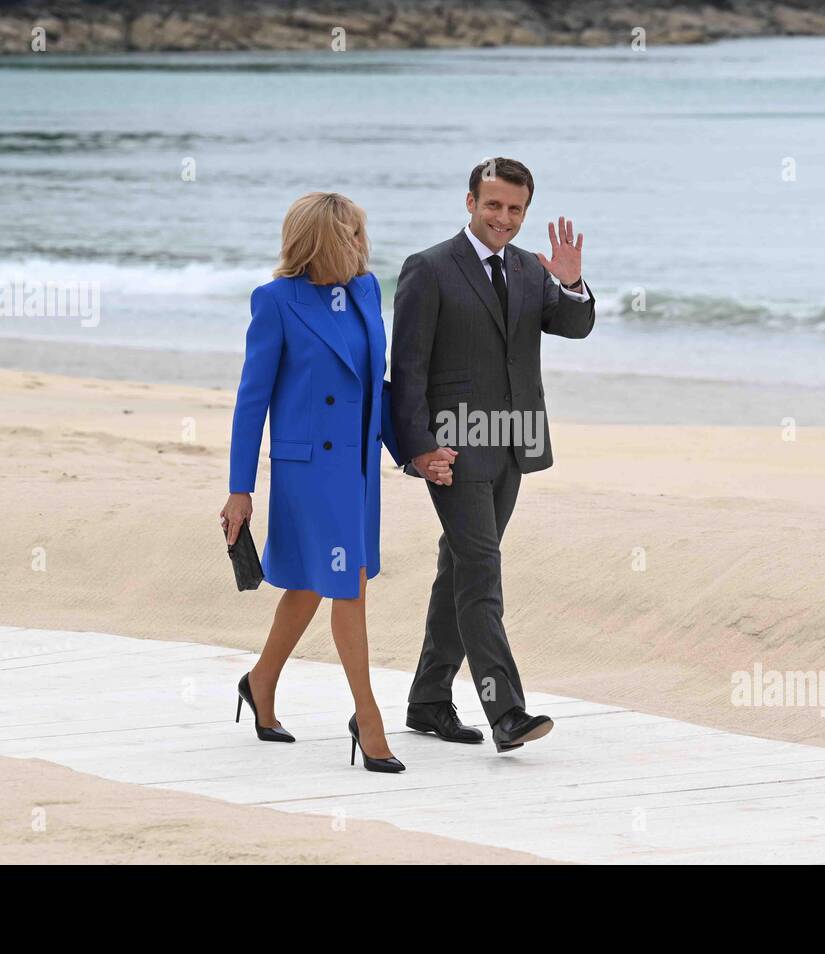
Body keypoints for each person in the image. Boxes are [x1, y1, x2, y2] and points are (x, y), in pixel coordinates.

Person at [389, 158, 596, 753]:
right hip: (453, 447)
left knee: (460, 568)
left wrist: (572, 284)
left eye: (515, 209)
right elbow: (407, 371)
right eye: (493, 205)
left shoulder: (532, 269)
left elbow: (574, 327)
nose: (503, 218)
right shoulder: (428, 269)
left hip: (514, 443)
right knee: (481, 572)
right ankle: (505, 709)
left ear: (526, 211)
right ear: (470, 202)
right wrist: (418, 449)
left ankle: (428, 700)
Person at [221, 192, 415, 773]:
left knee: (309, 586)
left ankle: (259, 683)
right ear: (322, 240)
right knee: (347, 585)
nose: (361, 243)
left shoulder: (366, 290)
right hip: (308, 473)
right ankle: (368, 718)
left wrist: (410, 454)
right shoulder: (276, 302)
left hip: (357, 468)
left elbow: (377, 386)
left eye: (362, 232)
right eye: (350, 234)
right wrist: (239, 488)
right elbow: (251, 400)